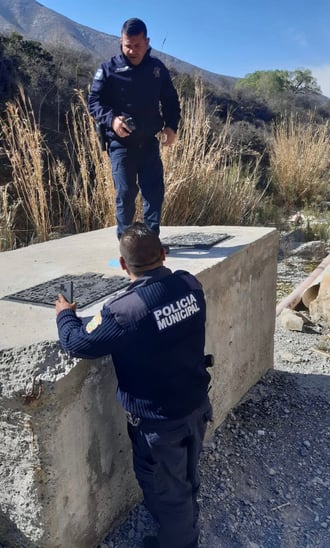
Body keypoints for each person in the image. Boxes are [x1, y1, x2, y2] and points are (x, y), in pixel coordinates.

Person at [55, 222, 212, 548]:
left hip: (159, 423)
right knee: (185, 476)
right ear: (165, 255)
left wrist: (65, 315)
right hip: (195, 405)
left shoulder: (126, 312)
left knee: (165, 490)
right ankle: (185, 525)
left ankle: (182, 542)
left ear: (124, 264)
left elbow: (77, 343)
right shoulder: (189, 284)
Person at [88, 18, 181, 242]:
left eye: (137, 45)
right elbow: (93, 102)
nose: (132, 50)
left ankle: (151, 243)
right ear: (121, 41)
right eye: (127, 45)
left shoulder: (157, 69)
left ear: (147, 42)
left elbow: (170, 99)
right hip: (121, 145)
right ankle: (126, 245)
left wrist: (171, 126)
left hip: (149, 142)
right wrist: (112, 120)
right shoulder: (108, 69)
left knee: (154, 193)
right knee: (126, 193)